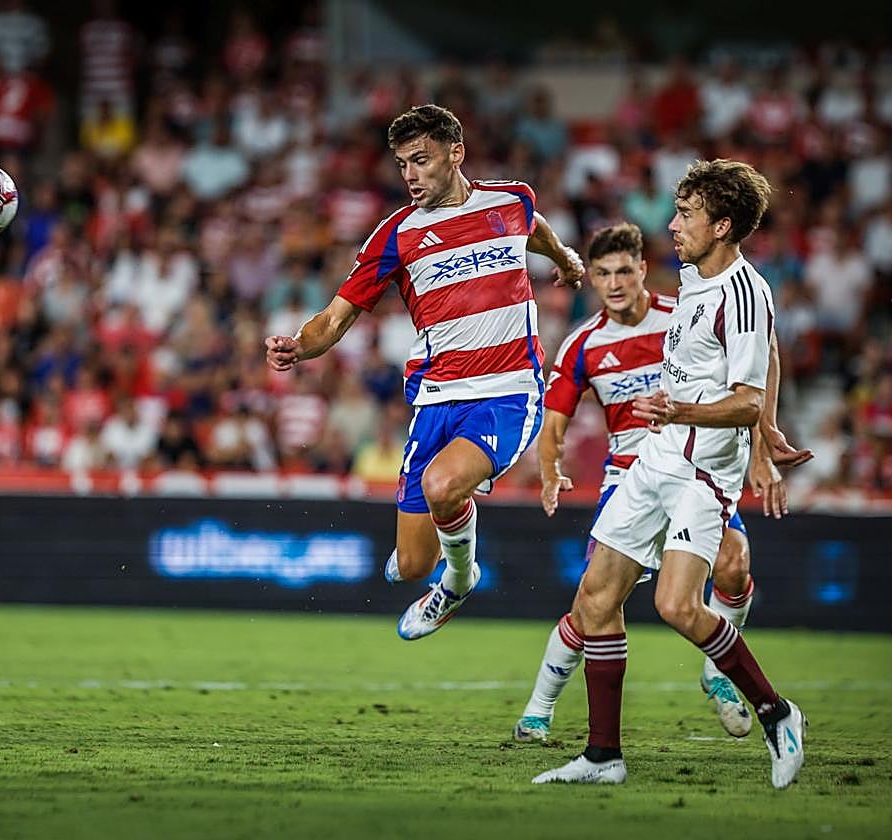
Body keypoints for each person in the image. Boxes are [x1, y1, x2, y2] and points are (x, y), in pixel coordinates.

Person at [533, 160, 810, 789]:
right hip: (657, 455)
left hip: (702, 472)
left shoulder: (744, 292)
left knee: (676, 605)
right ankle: (603, 756)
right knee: (597, 595)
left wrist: (744, 433)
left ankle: (777, 712)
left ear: (724, 224)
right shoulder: (691, 281)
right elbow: (747, 368)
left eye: (686, 214)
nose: (673, 223)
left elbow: (745, 393)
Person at [265, 104, 584, 640]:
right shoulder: (398, 234)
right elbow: (339, 314)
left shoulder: (511, 200)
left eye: (422, 160)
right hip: (436, 396)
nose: (410, 175)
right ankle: (445, 571)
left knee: (442, 485)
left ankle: (458, 583)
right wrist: (300, 345)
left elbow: (536, 228)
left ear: (455, 153)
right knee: (411, 564)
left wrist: (565, 258)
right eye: (402, 165)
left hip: (508, 390)